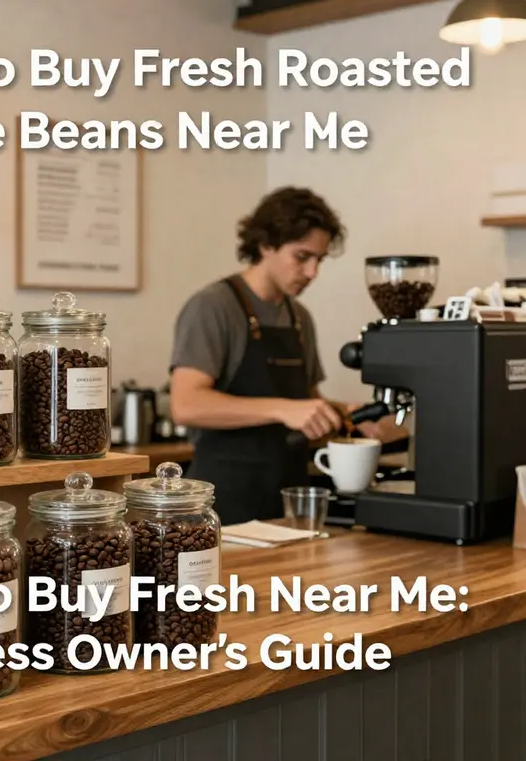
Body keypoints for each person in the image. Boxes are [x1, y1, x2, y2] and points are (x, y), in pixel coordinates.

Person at [169, 186, 399, 526]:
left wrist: (344, 415)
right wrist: (282, 408)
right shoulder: (214, 306)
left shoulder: (299, 317)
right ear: (266, 244)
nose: (312, 273)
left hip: (290, 502)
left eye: (319, 260)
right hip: (224, 504)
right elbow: (186, 405)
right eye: (302, 257)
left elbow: (306, 403)